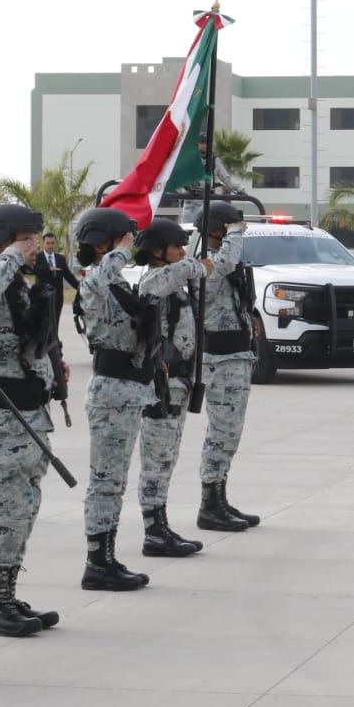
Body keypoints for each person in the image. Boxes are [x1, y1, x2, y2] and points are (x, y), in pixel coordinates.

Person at [0, 205, 63, 637]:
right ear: (1, 241)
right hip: (0, 414)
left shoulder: (19, 285)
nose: (33, 246)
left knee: (24, 509)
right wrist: (11, 256)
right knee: (5, 510)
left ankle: (7, 591)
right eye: (25, 238)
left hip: (28, 411)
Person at [72, 207, 151, 591]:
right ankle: (97, 561)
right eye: (122, 238)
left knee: (115, 480)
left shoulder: (118, 282)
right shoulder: (94, 280)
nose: (129, 244)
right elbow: (96, 281)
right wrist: (119, 250)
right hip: (111, 390)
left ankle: (106, 557)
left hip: (130, 388)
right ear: (105, 242)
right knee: (105, 480)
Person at [134, 219, 210, 557]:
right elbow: (163, 282)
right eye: (176, 247)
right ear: (157, 251)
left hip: (178, 382)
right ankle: (153, 529)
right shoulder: (154, 279)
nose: (182, 253)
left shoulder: (174, 280)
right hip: (159, 385)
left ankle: (161, 523)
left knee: (167, 458)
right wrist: (194, 265)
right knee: (156, 459)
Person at [194, 201, 262, 529]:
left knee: (230, 433)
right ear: (217, 230)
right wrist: (234, 236)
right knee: (220, 432)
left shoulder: (227, 262)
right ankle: (209, 504)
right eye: (231, 227)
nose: (240, 231)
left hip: (236, 355)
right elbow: (219, 270)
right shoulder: (202, 264)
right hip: (218, 359)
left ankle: (219, 498)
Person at [32, 232, 80, 327]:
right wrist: (49, 269)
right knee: (43, 326)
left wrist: (81, 287)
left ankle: (54, 341)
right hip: (43, 298)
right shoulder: (37, 258)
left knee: (55, 325)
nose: (50, 246)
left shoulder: (60, 259)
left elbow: (69, 277)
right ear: (43, 244)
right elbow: (33, 270)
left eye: (52, 243)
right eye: (48, 243)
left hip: (57, 299)